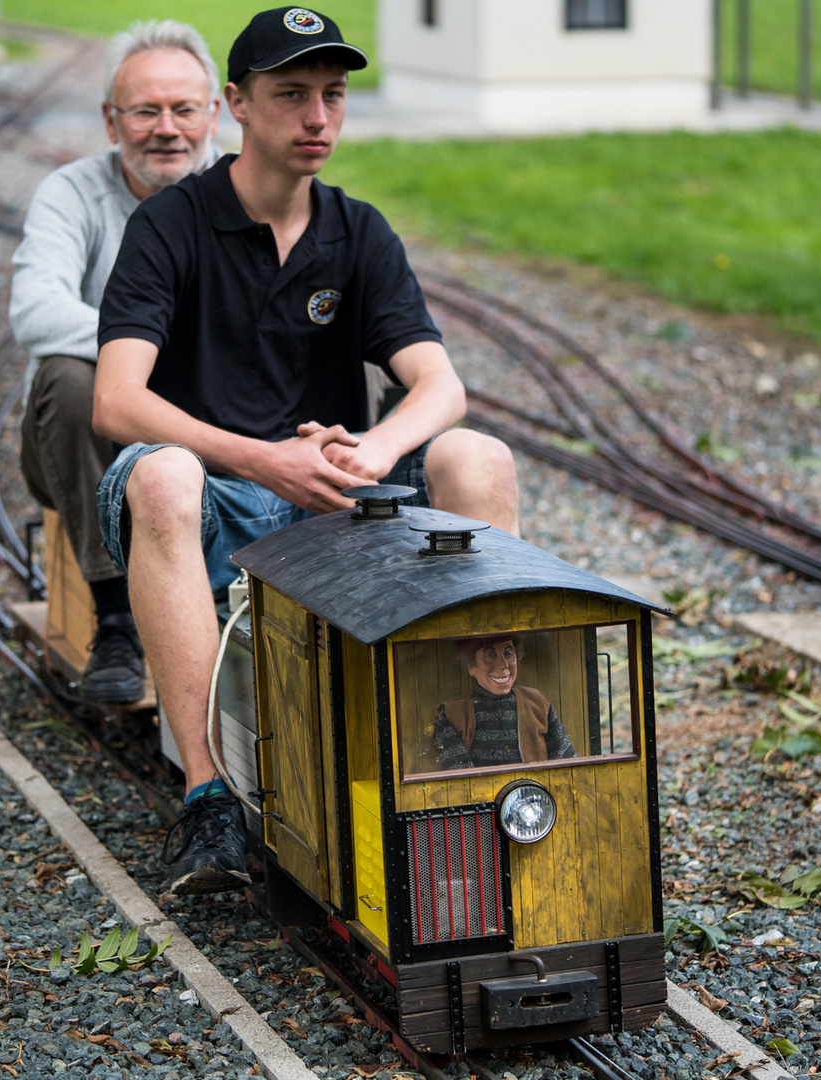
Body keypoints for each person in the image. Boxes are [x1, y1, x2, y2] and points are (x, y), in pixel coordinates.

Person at [92, 7, 520, 896]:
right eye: (292, 95)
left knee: (479, 458)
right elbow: (116, 400)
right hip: (215, 493)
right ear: (238, 105)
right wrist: (259, 458)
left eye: (332, 95)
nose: (318, 117)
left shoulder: (357, 231)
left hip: (334, 492)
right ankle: (208, 803)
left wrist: (370, 448)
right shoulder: (170, 225)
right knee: (165, 473)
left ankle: (485, 746)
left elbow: (440, 387)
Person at [9, 20, 222, 705]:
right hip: (89, 436)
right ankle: (116, 621)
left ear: (214, 113)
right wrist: (145, 362)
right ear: (110, 121)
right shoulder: (70, 194)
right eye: (145, 110)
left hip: (221, 424)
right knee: (69, 379)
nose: (167, 128)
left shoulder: (249, 190)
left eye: (184, 109)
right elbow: (34, 312)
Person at [433, 636, 577, 770]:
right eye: (490, 655)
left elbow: (567, 764)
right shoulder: (451, 714)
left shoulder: (537, 703)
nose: (503, 665)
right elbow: (464, 782)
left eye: (508, 654)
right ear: (471, 666)